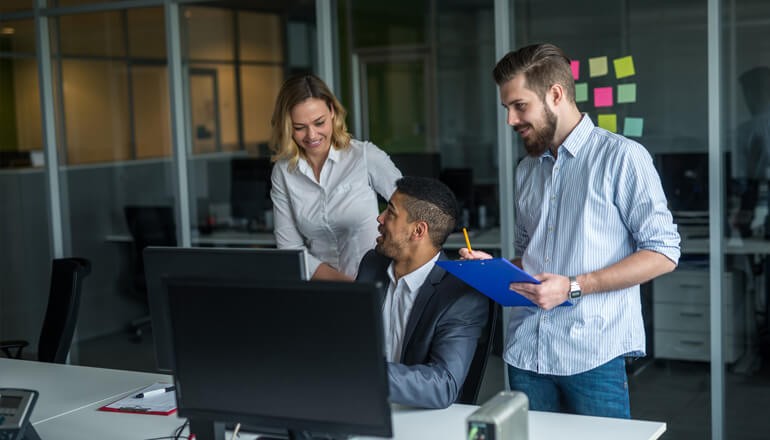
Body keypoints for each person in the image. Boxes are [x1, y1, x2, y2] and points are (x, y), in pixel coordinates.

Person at [459, 43, 681, 418]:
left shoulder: (623, 158)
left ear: (556, 94)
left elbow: (663, 254)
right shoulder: (526, 169)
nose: (511, 120)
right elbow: (534, 258)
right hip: (527, 353)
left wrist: (574, 286)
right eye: (507, 109)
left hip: (593, 355)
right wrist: (494, 267)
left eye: (519, 106)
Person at [356, 176, 489, 409]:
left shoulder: (461, 295)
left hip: (417, 415)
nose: (380, 218)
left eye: (390, 212)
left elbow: (443, 384)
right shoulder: (372, 264)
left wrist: (363, 373)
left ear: (418, 231)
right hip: (361, 404)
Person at [269, 74, 402, 281]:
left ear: (332, 111)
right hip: (322, 291)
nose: (312, 135)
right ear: (287, 127)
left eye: (319, 122)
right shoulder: (283, 172)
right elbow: (290, 249)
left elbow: (412, 212)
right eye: (299, 127)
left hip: (379, 284)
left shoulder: (365, 156)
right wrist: (350, 287)